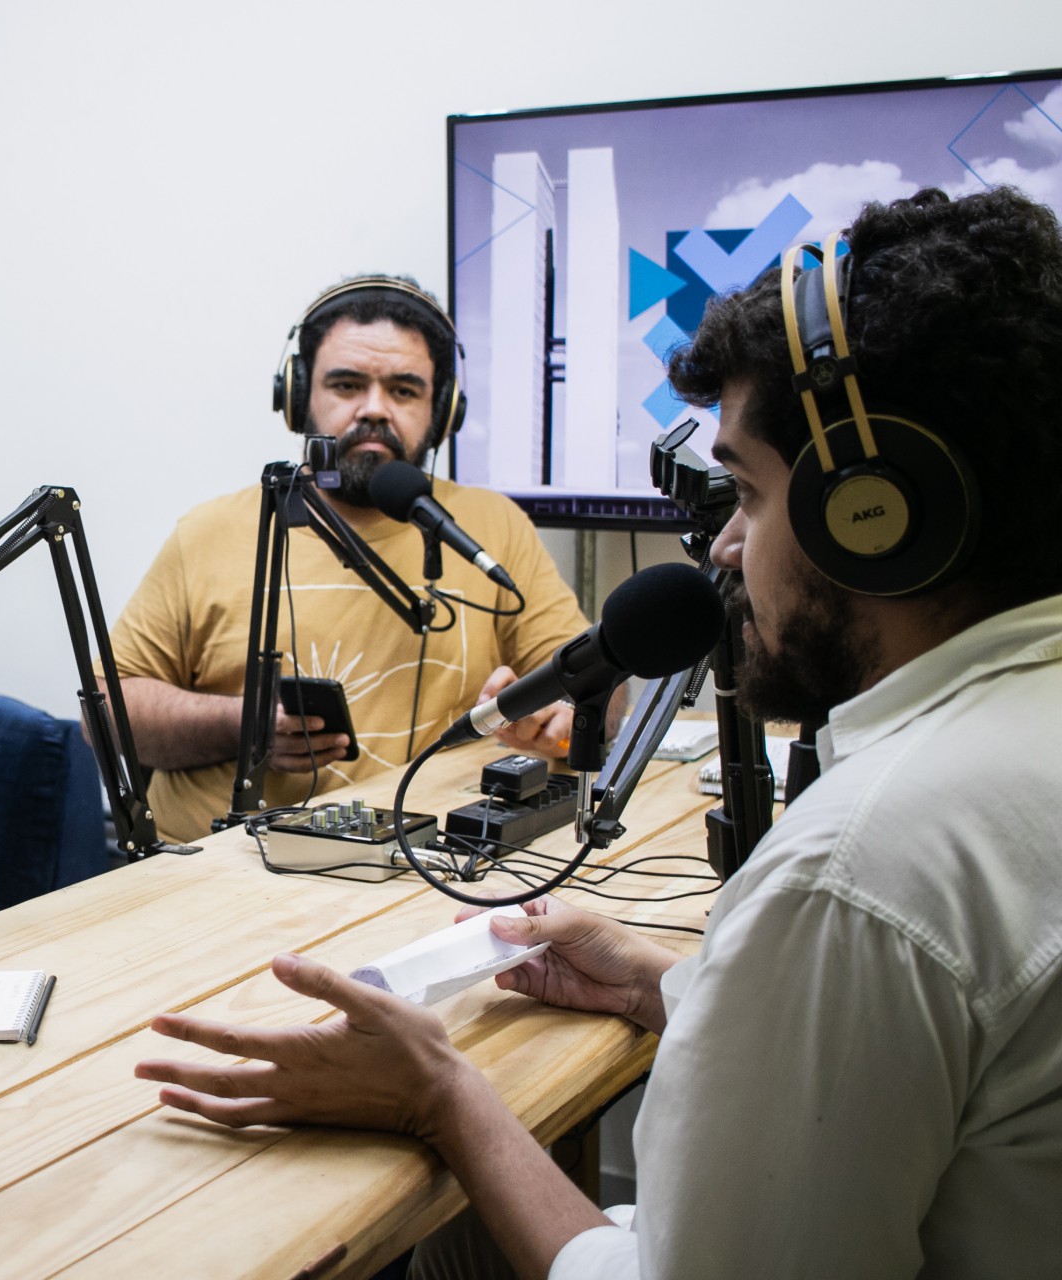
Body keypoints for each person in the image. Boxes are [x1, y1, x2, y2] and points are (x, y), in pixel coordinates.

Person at [134, 185, 1062, 1277]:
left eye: (747, 497)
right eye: (344, 384)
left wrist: (441, 1094)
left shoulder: (854, 870)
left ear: (880, 517)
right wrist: (667, 981)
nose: (721, 551)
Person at [107, 275, 591, 841]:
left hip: (424, 869)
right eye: (346, 385)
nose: (374, 410)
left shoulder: (492, 527)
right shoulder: (210, 532)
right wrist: (249, 726)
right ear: (298, 397)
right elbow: (110, 713)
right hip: (218, 875)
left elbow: (592, 686)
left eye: (405, 391)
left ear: (444, 410)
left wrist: (564, 710)